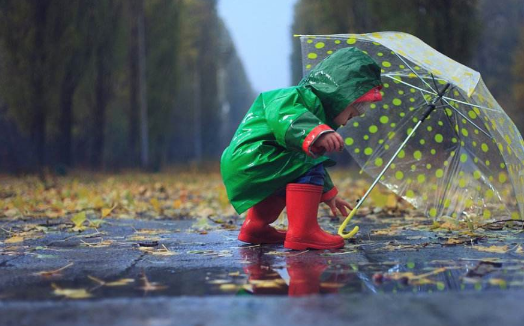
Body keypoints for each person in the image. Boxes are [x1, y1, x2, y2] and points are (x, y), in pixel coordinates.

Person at [221, 47, 382, 250]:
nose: (349, 120)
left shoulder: (314, 109)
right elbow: (285, 116)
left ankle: (255, 227)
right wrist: (317, 131)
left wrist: (330, 194)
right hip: (256, 157)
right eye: (351, 113)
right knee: (305, 160)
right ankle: (302, 232)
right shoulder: (298, 98)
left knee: (293, 168)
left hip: (256, 161)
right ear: (342, 96)